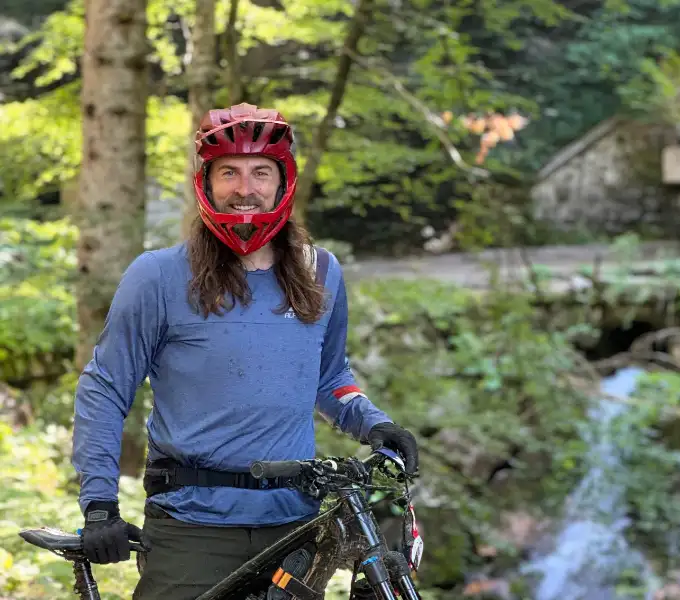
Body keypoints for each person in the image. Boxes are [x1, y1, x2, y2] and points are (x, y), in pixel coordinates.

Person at [71, 102, 419, 599]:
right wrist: (99, 503)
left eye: (261, 172)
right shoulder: (159, 276)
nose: (245, 188)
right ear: (206, 183)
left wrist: (375, 424)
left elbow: (328, 376)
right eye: (228, 172)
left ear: (283, 181)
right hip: (192, 530)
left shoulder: (321, 272)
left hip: (295, 530)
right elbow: (105, 387)